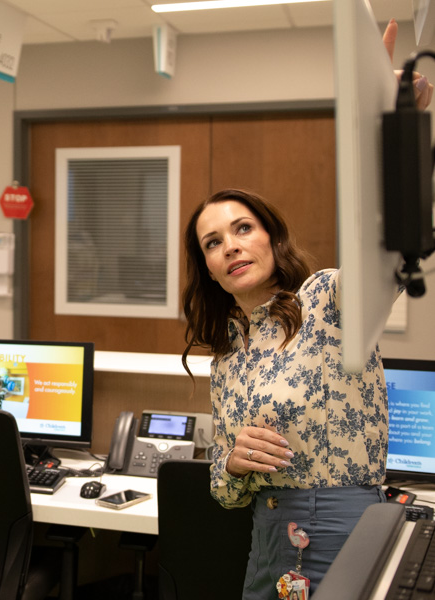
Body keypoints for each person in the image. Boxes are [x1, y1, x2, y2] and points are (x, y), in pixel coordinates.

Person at [179, 21, 432, 599]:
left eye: (243, 229)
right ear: (210, 269)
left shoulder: (328, 300)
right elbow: (223, 489)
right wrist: (236, 464)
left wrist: (399, 130)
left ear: (272, 237)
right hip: (269, 540)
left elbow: (397, 239)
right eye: (213, 242)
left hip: (347, 524)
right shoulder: (227, 358)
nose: (231, 246)